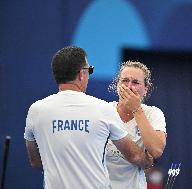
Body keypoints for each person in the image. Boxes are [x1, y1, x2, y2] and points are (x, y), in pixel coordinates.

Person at [24, 46, 153, 189]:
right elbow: (134, 156)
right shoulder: (103, 109)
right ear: (81, 74)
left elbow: (36, 161)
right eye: (89, 71)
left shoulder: (35, 111)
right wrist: (148, 161)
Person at [106, 61, 167, 189]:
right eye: (125, 81)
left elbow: (156, 151)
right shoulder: (104, 111)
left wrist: (137, 109)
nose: (129, 87)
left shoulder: (153, 113)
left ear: (146, 89)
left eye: (136, 82)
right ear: (117, 85)